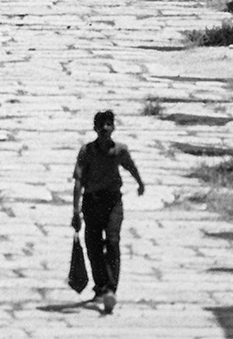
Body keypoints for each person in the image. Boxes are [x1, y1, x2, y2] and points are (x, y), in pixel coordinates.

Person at [72, 109, 144, 314]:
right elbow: (78, 181)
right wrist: (75, 211)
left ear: (113, 127)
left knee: (112, 240)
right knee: (93, 245)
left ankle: (111, 288)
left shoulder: (120, 150)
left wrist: (140, 183)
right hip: (91, 202)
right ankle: (101, 285)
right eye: (101, 125)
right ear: (95, 128)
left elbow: (130, 166)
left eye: (108, 124)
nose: (105, 128)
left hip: (113, 202)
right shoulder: (86, 152)